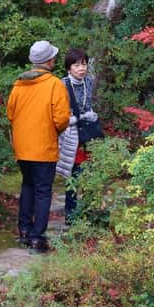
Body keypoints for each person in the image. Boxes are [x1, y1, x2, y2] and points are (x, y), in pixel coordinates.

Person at [6, 40, 71, 254]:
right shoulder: (54, 85)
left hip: (23, 147)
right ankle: (37, 237)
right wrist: (51, 131)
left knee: (27, 186)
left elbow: (10, 114)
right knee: (43, 192)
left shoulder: (18, 84)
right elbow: (61, 118)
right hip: (43, 147)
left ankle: (24, 231)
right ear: (49, 61)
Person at [57, 49, 102, 224]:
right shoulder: (62, 85)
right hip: (71, 134)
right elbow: (59, 112)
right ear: (69, 68)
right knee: (73, 173)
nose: (81, 68)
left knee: (92, 171)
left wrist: (91, 114)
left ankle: (90, 211)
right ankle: (71, 214)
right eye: (76, 64)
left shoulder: (89, 82)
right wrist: (76, 118)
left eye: (84, 64)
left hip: (88, 132)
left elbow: (88, 104)